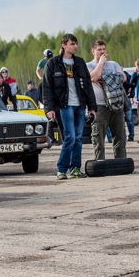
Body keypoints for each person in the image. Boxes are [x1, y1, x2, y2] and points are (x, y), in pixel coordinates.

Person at [42, 33, 97, 180]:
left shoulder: (80, 62)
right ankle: (61, 169)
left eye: (76, 44)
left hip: (80, 106)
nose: (75, 46)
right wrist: (49, 109)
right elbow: (47, 88)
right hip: (64, 107)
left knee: (78, 138)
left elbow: (88, 85)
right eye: (72, 44)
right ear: (63, 45)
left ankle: (75, 169)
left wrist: (92, 107)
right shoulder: (53, 63)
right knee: (70, 137)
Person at [87, 40, 127, 160]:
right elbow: (93, 77)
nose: (102, 52)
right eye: (99, 49)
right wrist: (100, 63)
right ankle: (99, 162)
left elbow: (123, 77)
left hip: (116, 105)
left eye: (104, 49)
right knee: (98, 139)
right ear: (93, 51)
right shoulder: (88, 65)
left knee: (120, 137)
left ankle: (121, 162)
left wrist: (103, 77)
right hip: (99, 106)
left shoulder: (113, 64)